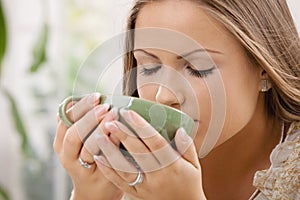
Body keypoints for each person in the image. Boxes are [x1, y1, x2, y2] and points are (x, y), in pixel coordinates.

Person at [54, 0, 300, 199]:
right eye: (149, 68)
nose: (164, 96)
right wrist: (90, 194)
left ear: (263, 67)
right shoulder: (134, 167)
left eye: (196, 68)